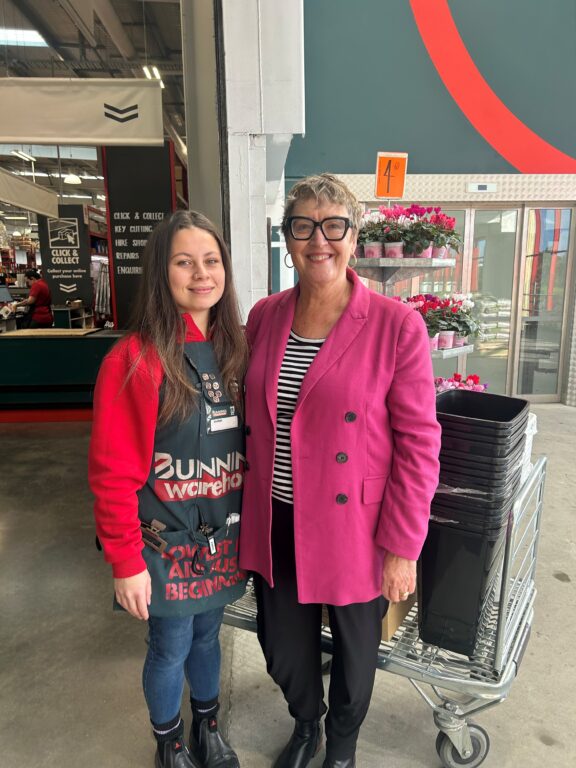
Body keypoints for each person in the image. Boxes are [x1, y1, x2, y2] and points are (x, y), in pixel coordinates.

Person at [239, 174, 441, 768]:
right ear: (287, 238)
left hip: (355, 523)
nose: (318, 240)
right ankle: (307, 722)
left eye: (333, 226)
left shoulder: (395, 324)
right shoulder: (265, 316)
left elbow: (419, 444)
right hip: (276, 515)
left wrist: (403, 547)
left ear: (354, 237)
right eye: (303, 226)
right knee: (281, 646)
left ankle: (342, 747)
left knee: (355, 654)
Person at [89, 210, 249, 768]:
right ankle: (170, 743)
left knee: (208, 636)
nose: (201, 274)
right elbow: (112, 473)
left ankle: (207, 726)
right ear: (162, 272)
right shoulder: (134, 359)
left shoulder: (235, 350)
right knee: (171, 645)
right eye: (184, 262)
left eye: (211, 261)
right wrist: (125, 561)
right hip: (162, 544)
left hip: (219, 539)